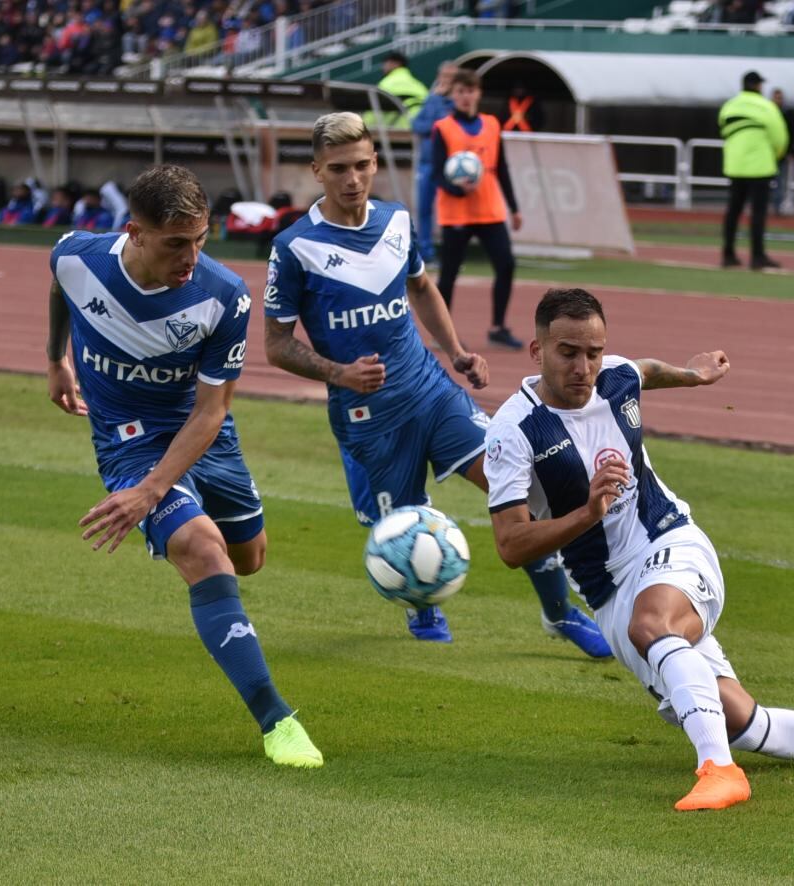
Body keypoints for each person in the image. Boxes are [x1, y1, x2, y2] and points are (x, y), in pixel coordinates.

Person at [483, 287, 794, 811]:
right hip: (607, 593)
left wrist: (693, 374)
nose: (584, 365)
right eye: (568, 352)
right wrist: (586, 514)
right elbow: (510, 544)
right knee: (743, 722)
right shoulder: (514, 430)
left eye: (593, 352)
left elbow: (642, 369)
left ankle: (719, 771)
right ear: (537, 351)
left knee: (654, 627)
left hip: (669, 540)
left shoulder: (614, 376)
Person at [263, 112, 610, 657]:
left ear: (375, 163)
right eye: (337, 169)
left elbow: (421, 287)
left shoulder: (398, 221)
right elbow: (276, 345)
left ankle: (561, 613)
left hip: (430, 390)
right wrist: (339, 373)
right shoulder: (293, 247)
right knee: (401, 529)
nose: (352, 179)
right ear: (316, 171)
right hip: (367, 417)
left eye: (361, 165)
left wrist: (457, 353)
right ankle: (424, 603)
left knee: (520, 490)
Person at [45, 163, 323, 768]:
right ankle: (278, 721)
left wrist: (150, 492)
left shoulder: (223, 295)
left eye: (201, 239)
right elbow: (60, 286)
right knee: (204, 550)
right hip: (129, 440)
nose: (191, 257)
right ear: (135, 233)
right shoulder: (77, 255)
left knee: (249, 559)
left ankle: (186, 531)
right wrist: (56, 360)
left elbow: (211, 410)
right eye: (176, 243)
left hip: (204, 436)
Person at [431, 69, 524, 350]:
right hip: (456, 212)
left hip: (490, 209)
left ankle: (498, 327)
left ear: (478, 93)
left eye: (470, 91)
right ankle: (442, 333)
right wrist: (458, 189)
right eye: (460, 92)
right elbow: (436, 173)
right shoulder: (443, 128)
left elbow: (503, 167)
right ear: (453, 95)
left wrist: (514, 207)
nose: (465, 97)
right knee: (449, 273)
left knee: (506, 264)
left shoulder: (493, 124)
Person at [718, 71, 786, 270]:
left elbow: (723, 130)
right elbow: (779, 137)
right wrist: (774, 155)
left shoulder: (729, 106)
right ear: (758, 86)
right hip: (760, 167)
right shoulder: (767, 106)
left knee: (733, 211)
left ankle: (728, 254)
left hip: (735, 166)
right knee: (758, 213)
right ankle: (757, 257)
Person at [410, 60, 458, 265]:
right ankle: (426, 253)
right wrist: (435, 102)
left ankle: (452, 253)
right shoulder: (432, 100)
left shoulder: (457, 103)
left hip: (450, 166)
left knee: (451, 211)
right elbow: (417, 125)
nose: (446, 82)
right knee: (424, 209)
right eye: (444, 77)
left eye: (451, 78)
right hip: (427, 163)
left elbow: (448, 128)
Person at [364, 51, 428, 131]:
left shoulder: (386, 83)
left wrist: (364, 127)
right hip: (420, 132)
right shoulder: (420, 86)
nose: (383, 67)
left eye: (386, 63)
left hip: (395, 134)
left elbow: (373, 112)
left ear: (395, 63)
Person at [770, 88, 794, 216]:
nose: (778, 100)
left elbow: (793, 133)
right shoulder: (767, 112)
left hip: (782, 153)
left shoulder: (787, 113)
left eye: (780, 98)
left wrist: (791, 151)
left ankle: (777, 207)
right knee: (764, 181)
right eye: (776, 97)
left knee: (781, 181)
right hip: (767, 154)